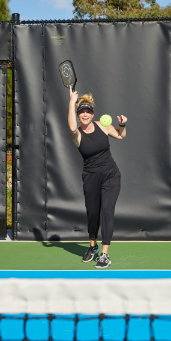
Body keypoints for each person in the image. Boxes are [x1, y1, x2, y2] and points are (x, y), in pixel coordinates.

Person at [67, 86, 127, 268]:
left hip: (111, 175)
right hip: (91, 177)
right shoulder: (76, 134)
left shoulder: (103, 125)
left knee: (107, 211)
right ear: (78, 115)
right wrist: (71, 101)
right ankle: (92, 246)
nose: (85, 115)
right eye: (81, 112)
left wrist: (122, 124)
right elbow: (70, 125)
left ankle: (104, 254)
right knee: (93, 213)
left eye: (88, 112)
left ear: (93, 114)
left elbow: (120, 135)